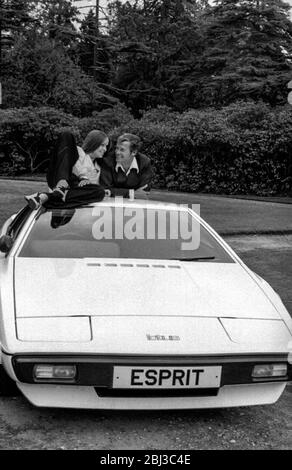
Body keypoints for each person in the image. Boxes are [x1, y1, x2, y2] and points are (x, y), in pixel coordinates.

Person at [25, 130, 109, 209]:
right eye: (102, 145)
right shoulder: (75, 152)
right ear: (94, 143)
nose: (105, 149)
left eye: (106, 146)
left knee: (100, 191)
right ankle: (60, 187)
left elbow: (88, 187)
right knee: (67, 135)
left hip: (72, 191)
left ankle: (47, 197)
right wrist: (83, 176)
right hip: (61, 177)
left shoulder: (98, 167)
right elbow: (69, 164)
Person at [100, 133, 152, 199]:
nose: (117, 152)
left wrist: (116, 192)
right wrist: (131, 193)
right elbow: (105, 190)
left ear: (134, 152)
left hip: (136, 205)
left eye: (122, 150)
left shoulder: (144, 162)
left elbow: (144, 192)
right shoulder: (108, 161)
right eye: (117, 148)